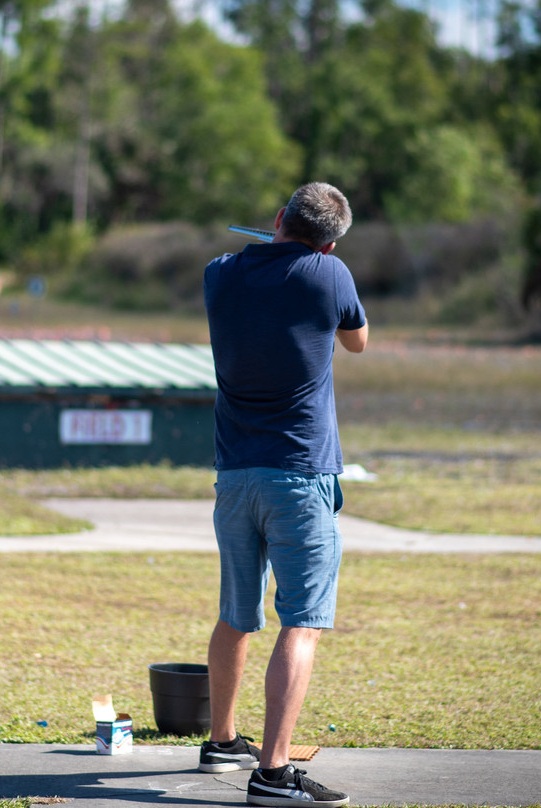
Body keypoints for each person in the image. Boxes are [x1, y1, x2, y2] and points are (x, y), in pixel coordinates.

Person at [198, 182, 368, 807]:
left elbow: (250, 275)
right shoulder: (330, 274)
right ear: (327, 242)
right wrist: (323, 264)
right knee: (302, 623)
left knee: (236, 614)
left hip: (234, 474)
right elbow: (357, 340)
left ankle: (221, 742)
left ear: (276, 219)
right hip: (298, 476)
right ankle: (272, 774)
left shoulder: (220, 274)